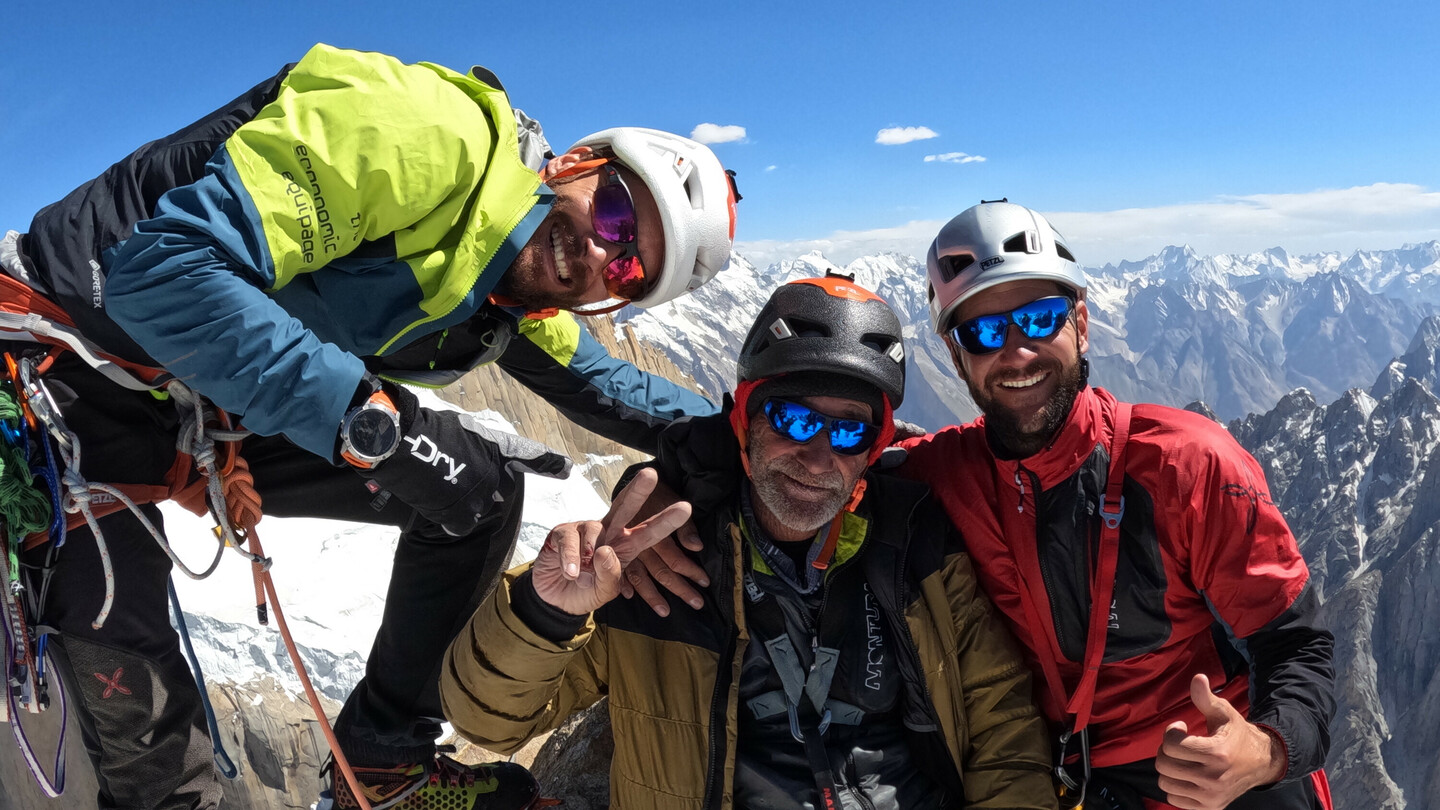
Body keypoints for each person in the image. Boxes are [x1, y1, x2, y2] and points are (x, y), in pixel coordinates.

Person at [1, 43, 737, 809]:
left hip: (193, 399)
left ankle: (382, 768)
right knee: (157, 756)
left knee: (479, 495)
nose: (598, 251)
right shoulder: (428, 133)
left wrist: (780, 429)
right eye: (616, 209)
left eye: (627, 272)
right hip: (65, 374)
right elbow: (159, 274)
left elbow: (613, 391)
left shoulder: (512, 286)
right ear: (575, 162)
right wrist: (364, 419)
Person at [440, 274, 1058, 810]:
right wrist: (545, 612)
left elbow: (1000, 723)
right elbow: (487, 720)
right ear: (744, 418)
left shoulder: (916, 544)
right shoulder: (657, 562)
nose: (818, 455)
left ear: (874, 447)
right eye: (793, 418)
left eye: (849, 432)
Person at [898, 200, 1335, 809]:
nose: (1017, 351)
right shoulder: (940, 473)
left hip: (1222, 774)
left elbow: (1299, 646)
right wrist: (710, 500)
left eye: (1040, 317)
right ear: (956, 356)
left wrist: (1264, 750)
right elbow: (814, 454)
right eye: (985, 332)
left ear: (1080, 323)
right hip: (1079, 785)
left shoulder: (1188, 464)